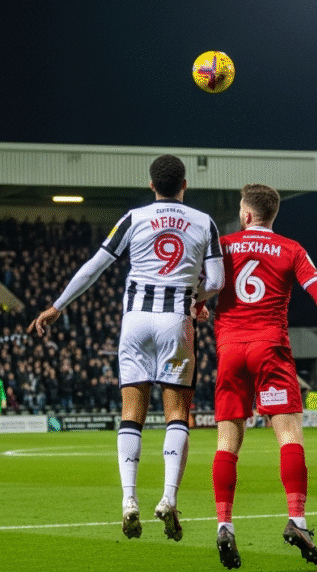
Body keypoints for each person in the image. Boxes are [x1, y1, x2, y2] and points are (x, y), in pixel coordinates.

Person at [29, 154, 223, 541]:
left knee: (131, 414)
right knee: (177, 414)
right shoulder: (204, 222)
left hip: (134, 321)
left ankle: (129, 500)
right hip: (175, 321)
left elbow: (94, 266)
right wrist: (197, 299)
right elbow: (216, 280)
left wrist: (57, 306)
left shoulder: (134, 218)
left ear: (151, 185)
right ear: (184, 185)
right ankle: (168, 498)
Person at [210, 183, 317, 570]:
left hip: (230, 350)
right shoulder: (291, 249)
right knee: (289, 435)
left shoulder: (222, 246)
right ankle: (297, 520)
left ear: (246, 215)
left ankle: (224, 525)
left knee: (227, 442)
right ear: (272, 215)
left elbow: (199, 288)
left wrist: (197, 308)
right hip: (270, 348)